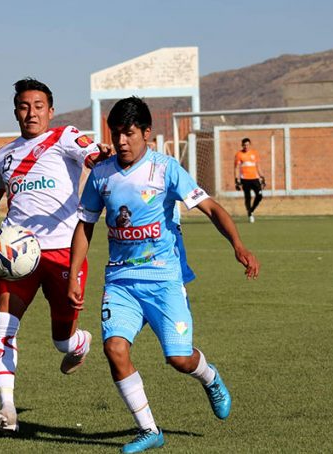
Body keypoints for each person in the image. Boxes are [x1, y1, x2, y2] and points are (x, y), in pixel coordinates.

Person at [68, 97, 259, 453]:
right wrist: (73, 276)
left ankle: (210, 377)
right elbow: (85, 226)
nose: (122, 141)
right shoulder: (101, 174)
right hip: (121, 281)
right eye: (116, 134)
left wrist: (238, 245)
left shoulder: (166, 169)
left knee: (179, 359)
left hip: (164, 279)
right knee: (115, 349)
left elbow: (211, 207)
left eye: (128, 133)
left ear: (146, 133)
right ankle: (149, 430)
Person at [0, 78, 111, 433]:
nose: (32, 113)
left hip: (63, 253)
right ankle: (7, 409)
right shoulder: (5, 155)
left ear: (51, 110)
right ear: (16, 111)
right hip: (15, 256)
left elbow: (93, 157)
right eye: (25, 106)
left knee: (62, 340)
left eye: (39, 106)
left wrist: (102, 155)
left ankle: (79, 342)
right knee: (3, 327)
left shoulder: (65, 137)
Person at [234, 138, 266, 223]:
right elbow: (236, 168)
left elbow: (258, 166)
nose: (246, 146)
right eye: (244, 145)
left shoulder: (254, 153)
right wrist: (236, 180)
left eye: (247, 145)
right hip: (245, 179)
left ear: (250, 145)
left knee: (259, 196)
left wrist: (262, 177)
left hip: (255, 178)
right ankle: (250, 214)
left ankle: (251, 210)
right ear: (242, 145)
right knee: (247, 197)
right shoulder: (239, 154)